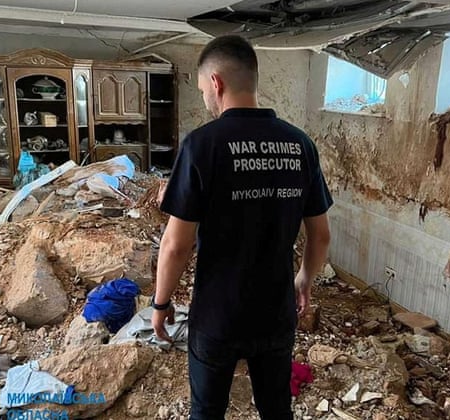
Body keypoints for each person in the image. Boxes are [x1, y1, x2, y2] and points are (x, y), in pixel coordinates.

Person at [151, 35, 333, 420]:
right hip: (275, 312)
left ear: (216, 83)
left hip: (218, 316)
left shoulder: (201, 146)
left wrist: (161, 302)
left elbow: (175, 245)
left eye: (202, 90)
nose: (205, 98)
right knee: (275, 409)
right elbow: (320, 234)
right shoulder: (300, 144)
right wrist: (304, 279)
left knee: (207, 411)